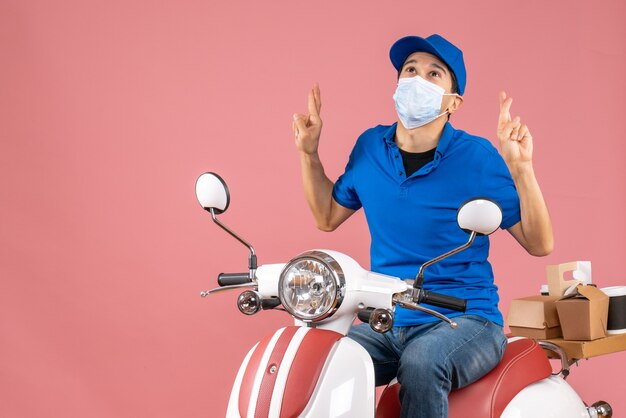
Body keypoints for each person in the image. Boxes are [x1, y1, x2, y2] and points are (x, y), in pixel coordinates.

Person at [292, 34, 553, 418]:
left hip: (465, 319)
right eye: (410, 70)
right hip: (386, 316)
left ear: (453, 102)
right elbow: (327, 217)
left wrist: (521, 167)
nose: (417, 79)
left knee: (421, 362)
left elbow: (538, 242)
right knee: (322, 359)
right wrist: (308, 153)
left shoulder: (477, 157)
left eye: (434, 74)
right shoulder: (369, 147)